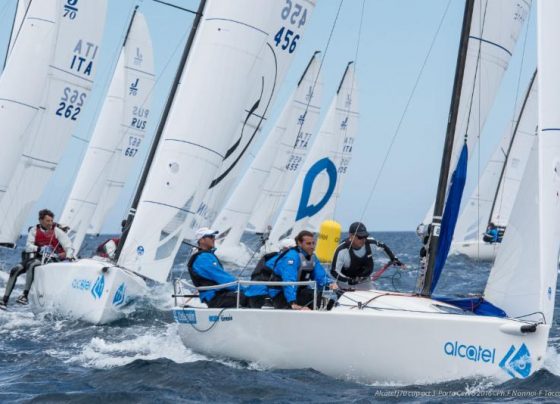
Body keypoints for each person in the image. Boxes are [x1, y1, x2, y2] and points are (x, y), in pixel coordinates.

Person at [0, 209, 74, 309]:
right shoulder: (34, 230)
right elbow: (28, 246)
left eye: (51, 221)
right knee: (15, 269)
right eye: (48, 221)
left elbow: (68, 246)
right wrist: (39, 248)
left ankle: (24, 296)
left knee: (32, 265)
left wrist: (69, 256)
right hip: (37, 256)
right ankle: (4, 300)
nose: (50, 223)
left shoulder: (57, 231)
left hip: (51, 258)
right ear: (41, 220)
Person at [271, 230, 338, 310]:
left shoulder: (313, 257)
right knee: (312, 301)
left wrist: (330, 283)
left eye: (313, 243)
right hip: (281, 294)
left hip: (298, 292)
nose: (312, 246)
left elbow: (320, 276)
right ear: (299, 243)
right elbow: (289, 281)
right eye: (308, 244)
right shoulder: (291, 257)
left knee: (324, 301)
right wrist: (292, 303)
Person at [331, 222, 403, 290]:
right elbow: (334, 271)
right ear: (351, 236)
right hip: (345, 283)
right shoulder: (341, 250)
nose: (363, 239)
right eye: (360, 237)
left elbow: (383, 247)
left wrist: (394, 259)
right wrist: (348, 280)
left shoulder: (371, 243)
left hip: (364, 281)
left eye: (365, 236)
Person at [187, 227, 245, 308]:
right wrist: (243, 288)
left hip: (218, 295)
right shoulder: (203, 258)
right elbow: (221, 278)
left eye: (214, 236)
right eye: (210, 237)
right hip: (215, 298)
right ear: (201, 240)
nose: (214, 239)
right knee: (251, 296)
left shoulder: (206, 255)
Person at [244, 238, 296, 309]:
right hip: (264, 298)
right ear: (287, 249)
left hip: (252, 296)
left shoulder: (273, 258)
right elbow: (288, 279)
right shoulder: (285, 260)